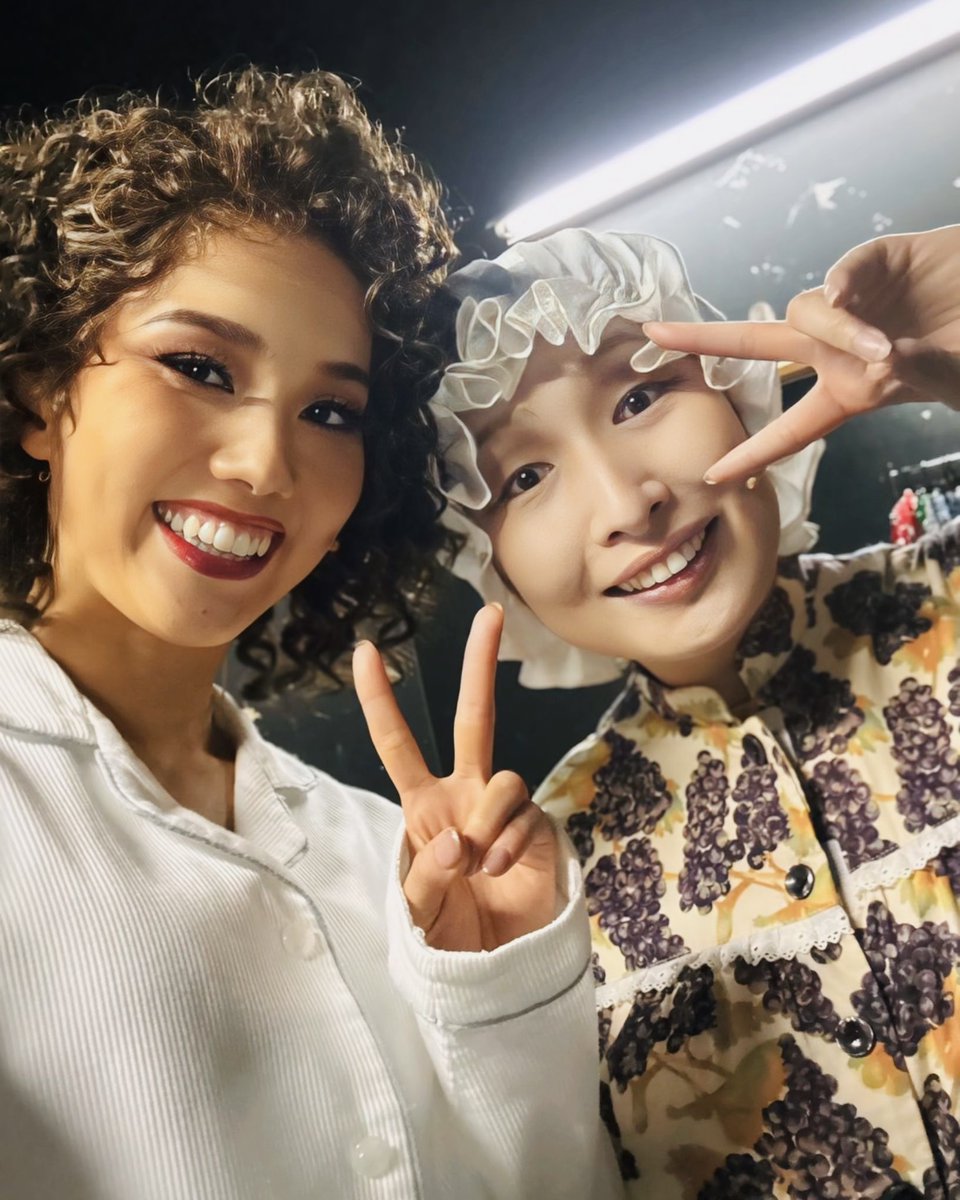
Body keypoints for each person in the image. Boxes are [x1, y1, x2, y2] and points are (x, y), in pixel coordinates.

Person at [0, 70, 621, 1199]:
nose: (264, 464)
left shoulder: (383, 850)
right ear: (45, 388)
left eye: (329, 412)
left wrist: (502, 1000)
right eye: (199, 368)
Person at [426, 225, 960, 1199]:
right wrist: (493, 1017)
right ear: (488, 560)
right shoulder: (541, 883)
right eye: (524, 477)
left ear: (736, 386)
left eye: (640, 397)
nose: (626, 503)